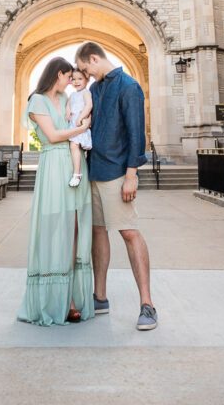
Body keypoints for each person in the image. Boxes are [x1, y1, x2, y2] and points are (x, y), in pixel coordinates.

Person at [75, 40, 157, 331]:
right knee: (98, 232)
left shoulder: (128, 86)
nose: (87, 76)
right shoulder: (95, 90)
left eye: (87, 69)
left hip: (117, 173)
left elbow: (136, 133)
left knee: (129, 232)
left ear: (94, 59)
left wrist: (131, 174)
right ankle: (100, 297)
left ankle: (147, 304)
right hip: (93, 171)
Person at [17, 56, 94, 326]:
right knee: (53, 227)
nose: (70, 81)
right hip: (52, 165)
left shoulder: (66, 99)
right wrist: (80, 129)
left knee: (73, 228)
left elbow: (84, 108)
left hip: (74, 164)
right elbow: (51, 135)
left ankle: (71, 299)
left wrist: (81, 125)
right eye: (67, 76)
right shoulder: (37, 100)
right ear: (58, 74)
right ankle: (50, 299)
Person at [66, 67, 92, 188]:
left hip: (81, 123)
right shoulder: (72, 95)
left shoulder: (86, 92)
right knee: (74, 147)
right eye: (73, 79)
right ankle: (78, 171)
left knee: (74, 146)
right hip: (73, 125)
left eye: (80, 79)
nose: (76, 81)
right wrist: (68, 111)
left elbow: (89, 105)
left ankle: (77, 174)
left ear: (87, 80)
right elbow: (68, 105)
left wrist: (81, 117)